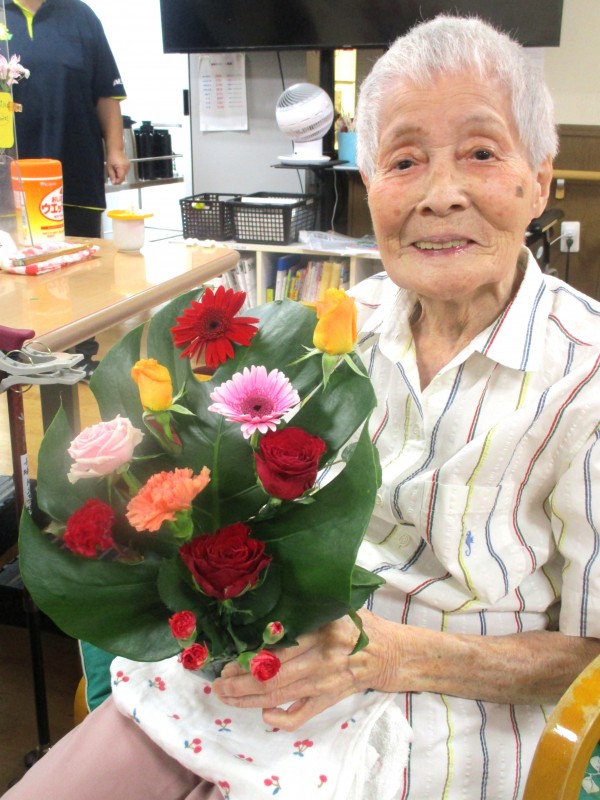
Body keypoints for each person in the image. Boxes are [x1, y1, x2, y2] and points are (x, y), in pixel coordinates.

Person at [4, 15, 600, 800]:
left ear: (540, 178)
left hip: (445, 719)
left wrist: (389, 655)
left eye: (481, 153)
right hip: (263, 673)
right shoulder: (339, 327)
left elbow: (591, 651)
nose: (440, 195)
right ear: (370, 183)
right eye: (405, 161)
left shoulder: (586, 379)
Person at [6, 0, 130, 375]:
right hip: (8, 175)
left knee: (81, 268)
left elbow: (106, 91)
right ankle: (18, 358)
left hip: (75, 165)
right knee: (15, 270)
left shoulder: (80, 16)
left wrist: (116, 148)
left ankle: (81, 356)